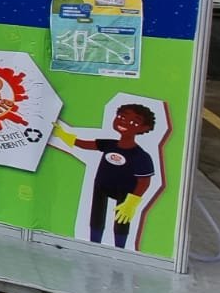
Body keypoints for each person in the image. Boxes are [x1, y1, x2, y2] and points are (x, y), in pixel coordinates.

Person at [53, 103, 158, 249]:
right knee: (96, 216)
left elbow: (144, 181)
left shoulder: (141, 156)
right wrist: (63, 135)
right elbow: (84, 144)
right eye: (122, 117)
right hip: (101, 185)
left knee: (122, 220)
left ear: (144, 128)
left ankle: (120, 250)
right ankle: (94, 245)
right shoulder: (110, 144)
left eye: (134, 122)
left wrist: (132, 202)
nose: (124, 122)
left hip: (125, 190)